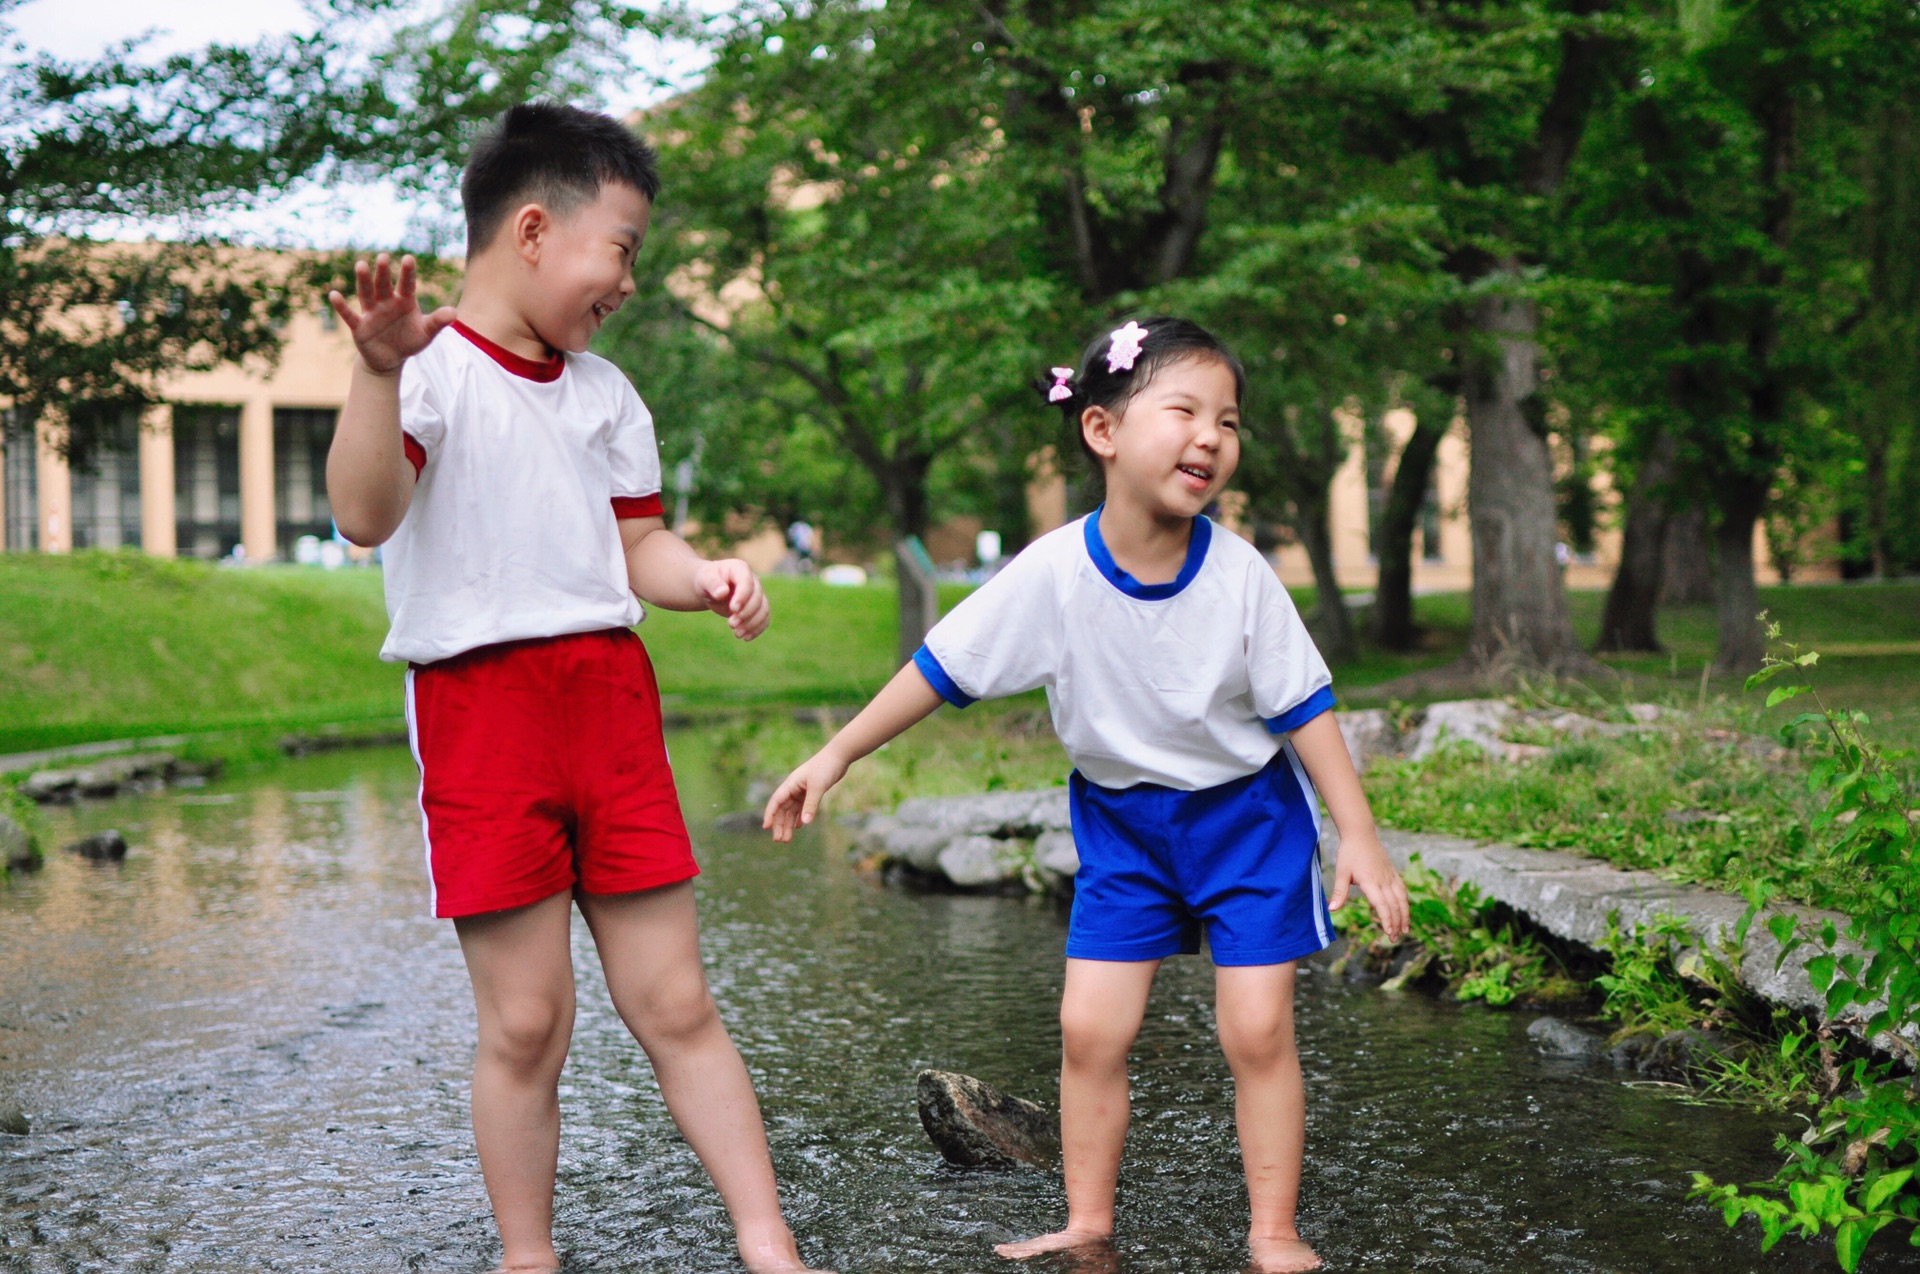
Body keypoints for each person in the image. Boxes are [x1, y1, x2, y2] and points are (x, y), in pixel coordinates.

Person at [763, 317, 1410, 1274]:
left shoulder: (1238, 574)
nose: (1211, 438)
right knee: (1088, 1028)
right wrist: (838, 754)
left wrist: (1355, 832)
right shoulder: (1055, 571)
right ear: (1103, 431)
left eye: (1228, 422)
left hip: (1248, 821)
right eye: (1184, 410)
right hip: (1124, 830)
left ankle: (1273, 1231)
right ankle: (1087, 1218)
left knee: (1257, 1028)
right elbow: (943, 668)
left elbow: (1304, 707)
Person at [325, 102, 828, 1274]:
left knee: (678, 1001)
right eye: (627, 248)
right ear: (539, 229)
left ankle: (769, 1243)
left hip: (608, 703)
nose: (631, 281)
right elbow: (363, 513)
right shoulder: (431, 375)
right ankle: (528, 1255)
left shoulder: (607, 395)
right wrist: (375, 373)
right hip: (483, 709)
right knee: (527, 1020)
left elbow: (636, 549)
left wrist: (700, 575)